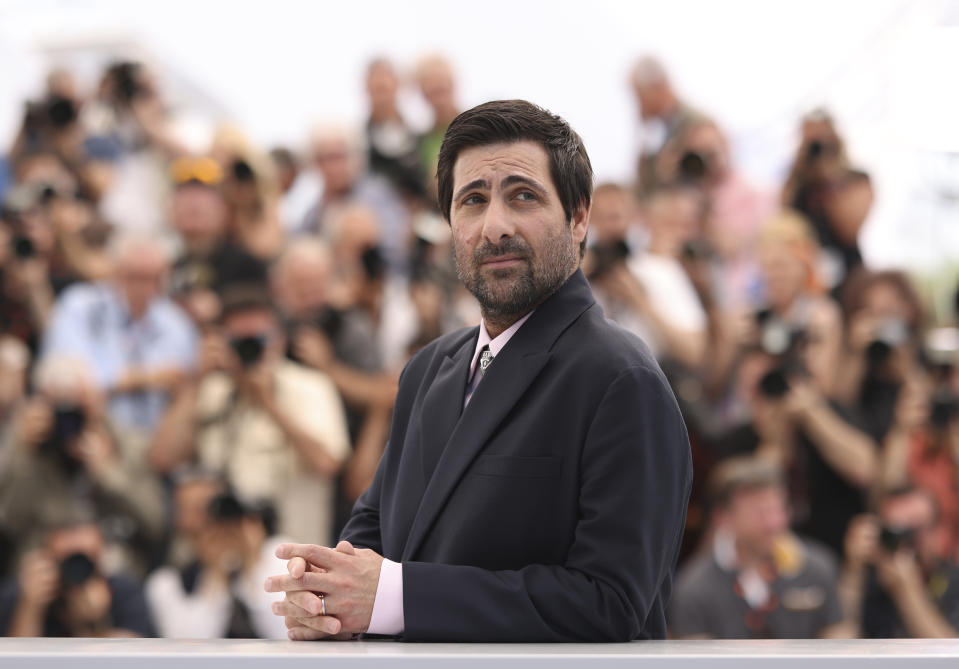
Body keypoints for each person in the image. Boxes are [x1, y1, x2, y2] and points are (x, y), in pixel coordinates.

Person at [265, 99, 693, 642]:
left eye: (523, 196)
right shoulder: (427, 370)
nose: (495, 226)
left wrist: (392, 598)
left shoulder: (621, 379)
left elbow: (610, 603)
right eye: (472, 200)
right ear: (449, 223)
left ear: (579, 216)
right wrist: (327, 598)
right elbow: (371, 538)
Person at [148, 287, 351, 546]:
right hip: (221, 558)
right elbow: (162, 459)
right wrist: (196, 381)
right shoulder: (211, 389)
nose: (249, 350)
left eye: (258, 340)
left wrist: (269, 404)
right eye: (239, 341)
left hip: (293, 555)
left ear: (279, 338)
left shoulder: (311, 387)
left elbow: (327, 463)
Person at [669, 457, 847, 639]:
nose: (773, 523)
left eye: (778, 510)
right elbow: (695, 660)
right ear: (723, 518)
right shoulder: (697, 587)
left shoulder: (816, 568)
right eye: (759, 513)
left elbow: (838, 641)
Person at [40, 233, 198, 435]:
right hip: (91, 431)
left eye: (153, 278)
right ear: (115, 272)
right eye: (135, 276)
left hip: (157, 440)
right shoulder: (80, 305)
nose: (144, 287)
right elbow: (65, 380)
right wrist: (143, 378)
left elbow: (186, 384)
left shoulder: (175, 322)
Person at [0, 520, 155, 637]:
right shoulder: (21, 593)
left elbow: (134, 657)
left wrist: (97, 623)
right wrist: (30, 608)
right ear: (49, 558)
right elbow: (16, 662)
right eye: (68, 560)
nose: (76, 569)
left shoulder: (122, 591)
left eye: (85, 559)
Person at [841, 487, 959, 638]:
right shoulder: (869, 579)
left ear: (938, 531)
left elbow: (952, 655)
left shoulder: (953, 581)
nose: (907, 543)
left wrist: (907, 592)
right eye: (896, 532)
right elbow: (841, 642)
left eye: (915, 530)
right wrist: (852, 570)